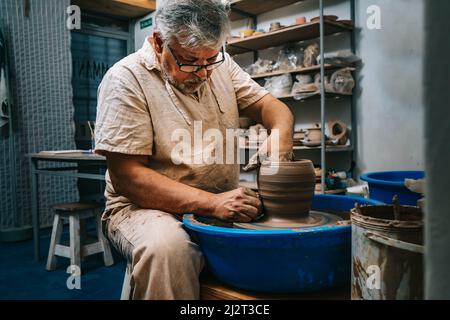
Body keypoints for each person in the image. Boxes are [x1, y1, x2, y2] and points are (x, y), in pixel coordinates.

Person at [94, 0, 294, 300]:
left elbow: (271, 106)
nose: (203, 73)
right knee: (167, 250)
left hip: (218, 202)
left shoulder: (220, 65)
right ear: (159, 42)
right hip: (144, 208)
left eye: (210, 60)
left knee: (285, 238)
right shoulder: (126, 78)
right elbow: (127, 178)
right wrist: (211, 204)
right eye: (189, 61)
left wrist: (280, 134)